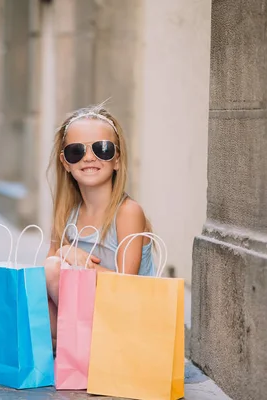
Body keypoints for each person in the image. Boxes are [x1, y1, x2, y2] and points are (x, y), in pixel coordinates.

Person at [44, 104, 156, 351]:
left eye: (101, 149)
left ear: (116, 159)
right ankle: (75, 347)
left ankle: (81, 347)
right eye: (76, 151)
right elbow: (45, 284)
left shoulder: (127, 212)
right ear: (65, 163)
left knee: (55, 266)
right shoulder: (66, 215)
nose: (89, 157)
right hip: (88, 319)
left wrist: (79, 260)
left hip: (127, 320)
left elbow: (127, 289)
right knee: (45, 277)